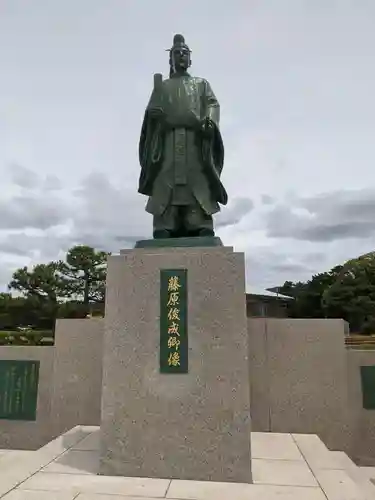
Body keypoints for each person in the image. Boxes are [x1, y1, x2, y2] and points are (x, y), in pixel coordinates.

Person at [138, 34, 228, 239]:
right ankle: (165, 221)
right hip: (168, 139)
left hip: (194, 139)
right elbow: (151, 113)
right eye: (176, 53)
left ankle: (198, 220)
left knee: (196, 177)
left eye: (184, 53)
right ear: (170, 59)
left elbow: (212, 104)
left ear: (190, 59)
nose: (180, 56)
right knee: (165, 176)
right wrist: (155, 117)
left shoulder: (201, 84)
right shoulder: (163, 87)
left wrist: (209, 122)